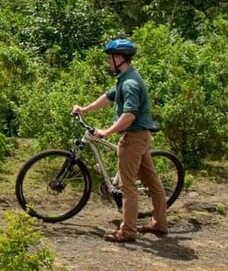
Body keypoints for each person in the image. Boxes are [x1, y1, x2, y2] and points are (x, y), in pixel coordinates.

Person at [72, 38, 167, 243]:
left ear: (120, 58)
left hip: (133, 138)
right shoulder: (125, 78)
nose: (108, 62)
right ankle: (159, 224)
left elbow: (129, 115)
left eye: (110, 58)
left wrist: (107, 131)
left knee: (127, 186)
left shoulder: (131, 83)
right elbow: (108, 97)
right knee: (152, 182)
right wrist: (85, 109)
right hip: (140, 136)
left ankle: (128, 231)